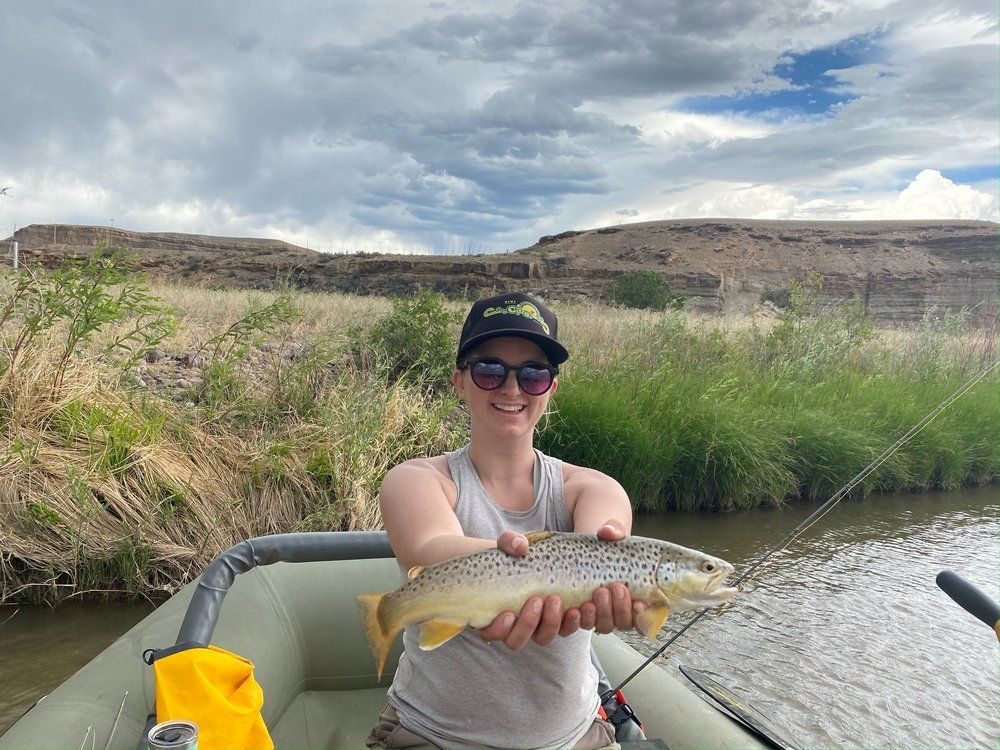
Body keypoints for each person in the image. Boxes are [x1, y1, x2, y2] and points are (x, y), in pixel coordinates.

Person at [367, 292, 646, 750]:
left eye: (533, 374)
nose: (512, 388)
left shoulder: (595, 488)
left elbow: (602, 549)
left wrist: (614, 586)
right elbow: (429, 546)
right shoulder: (416, 480)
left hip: (576, 738)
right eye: (490, 370)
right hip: (432, 736)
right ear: (460, 381)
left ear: (551, 387)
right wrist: (544, 574)